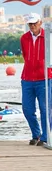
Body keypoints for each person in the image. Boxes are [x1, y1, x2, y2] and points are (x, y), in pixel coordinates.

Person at [20, 12, 52, 146]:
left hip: (45, 78)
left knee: (45, 109)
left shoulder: (48, 37)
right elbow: (25, 55)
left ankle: (45, 137)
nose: (32, 26)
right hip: (27, 78)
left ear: (40, 22)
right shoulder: (24, 38)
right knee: (27, 109)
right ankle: (36, 134)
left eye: (35, 23)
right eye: (30, 24)